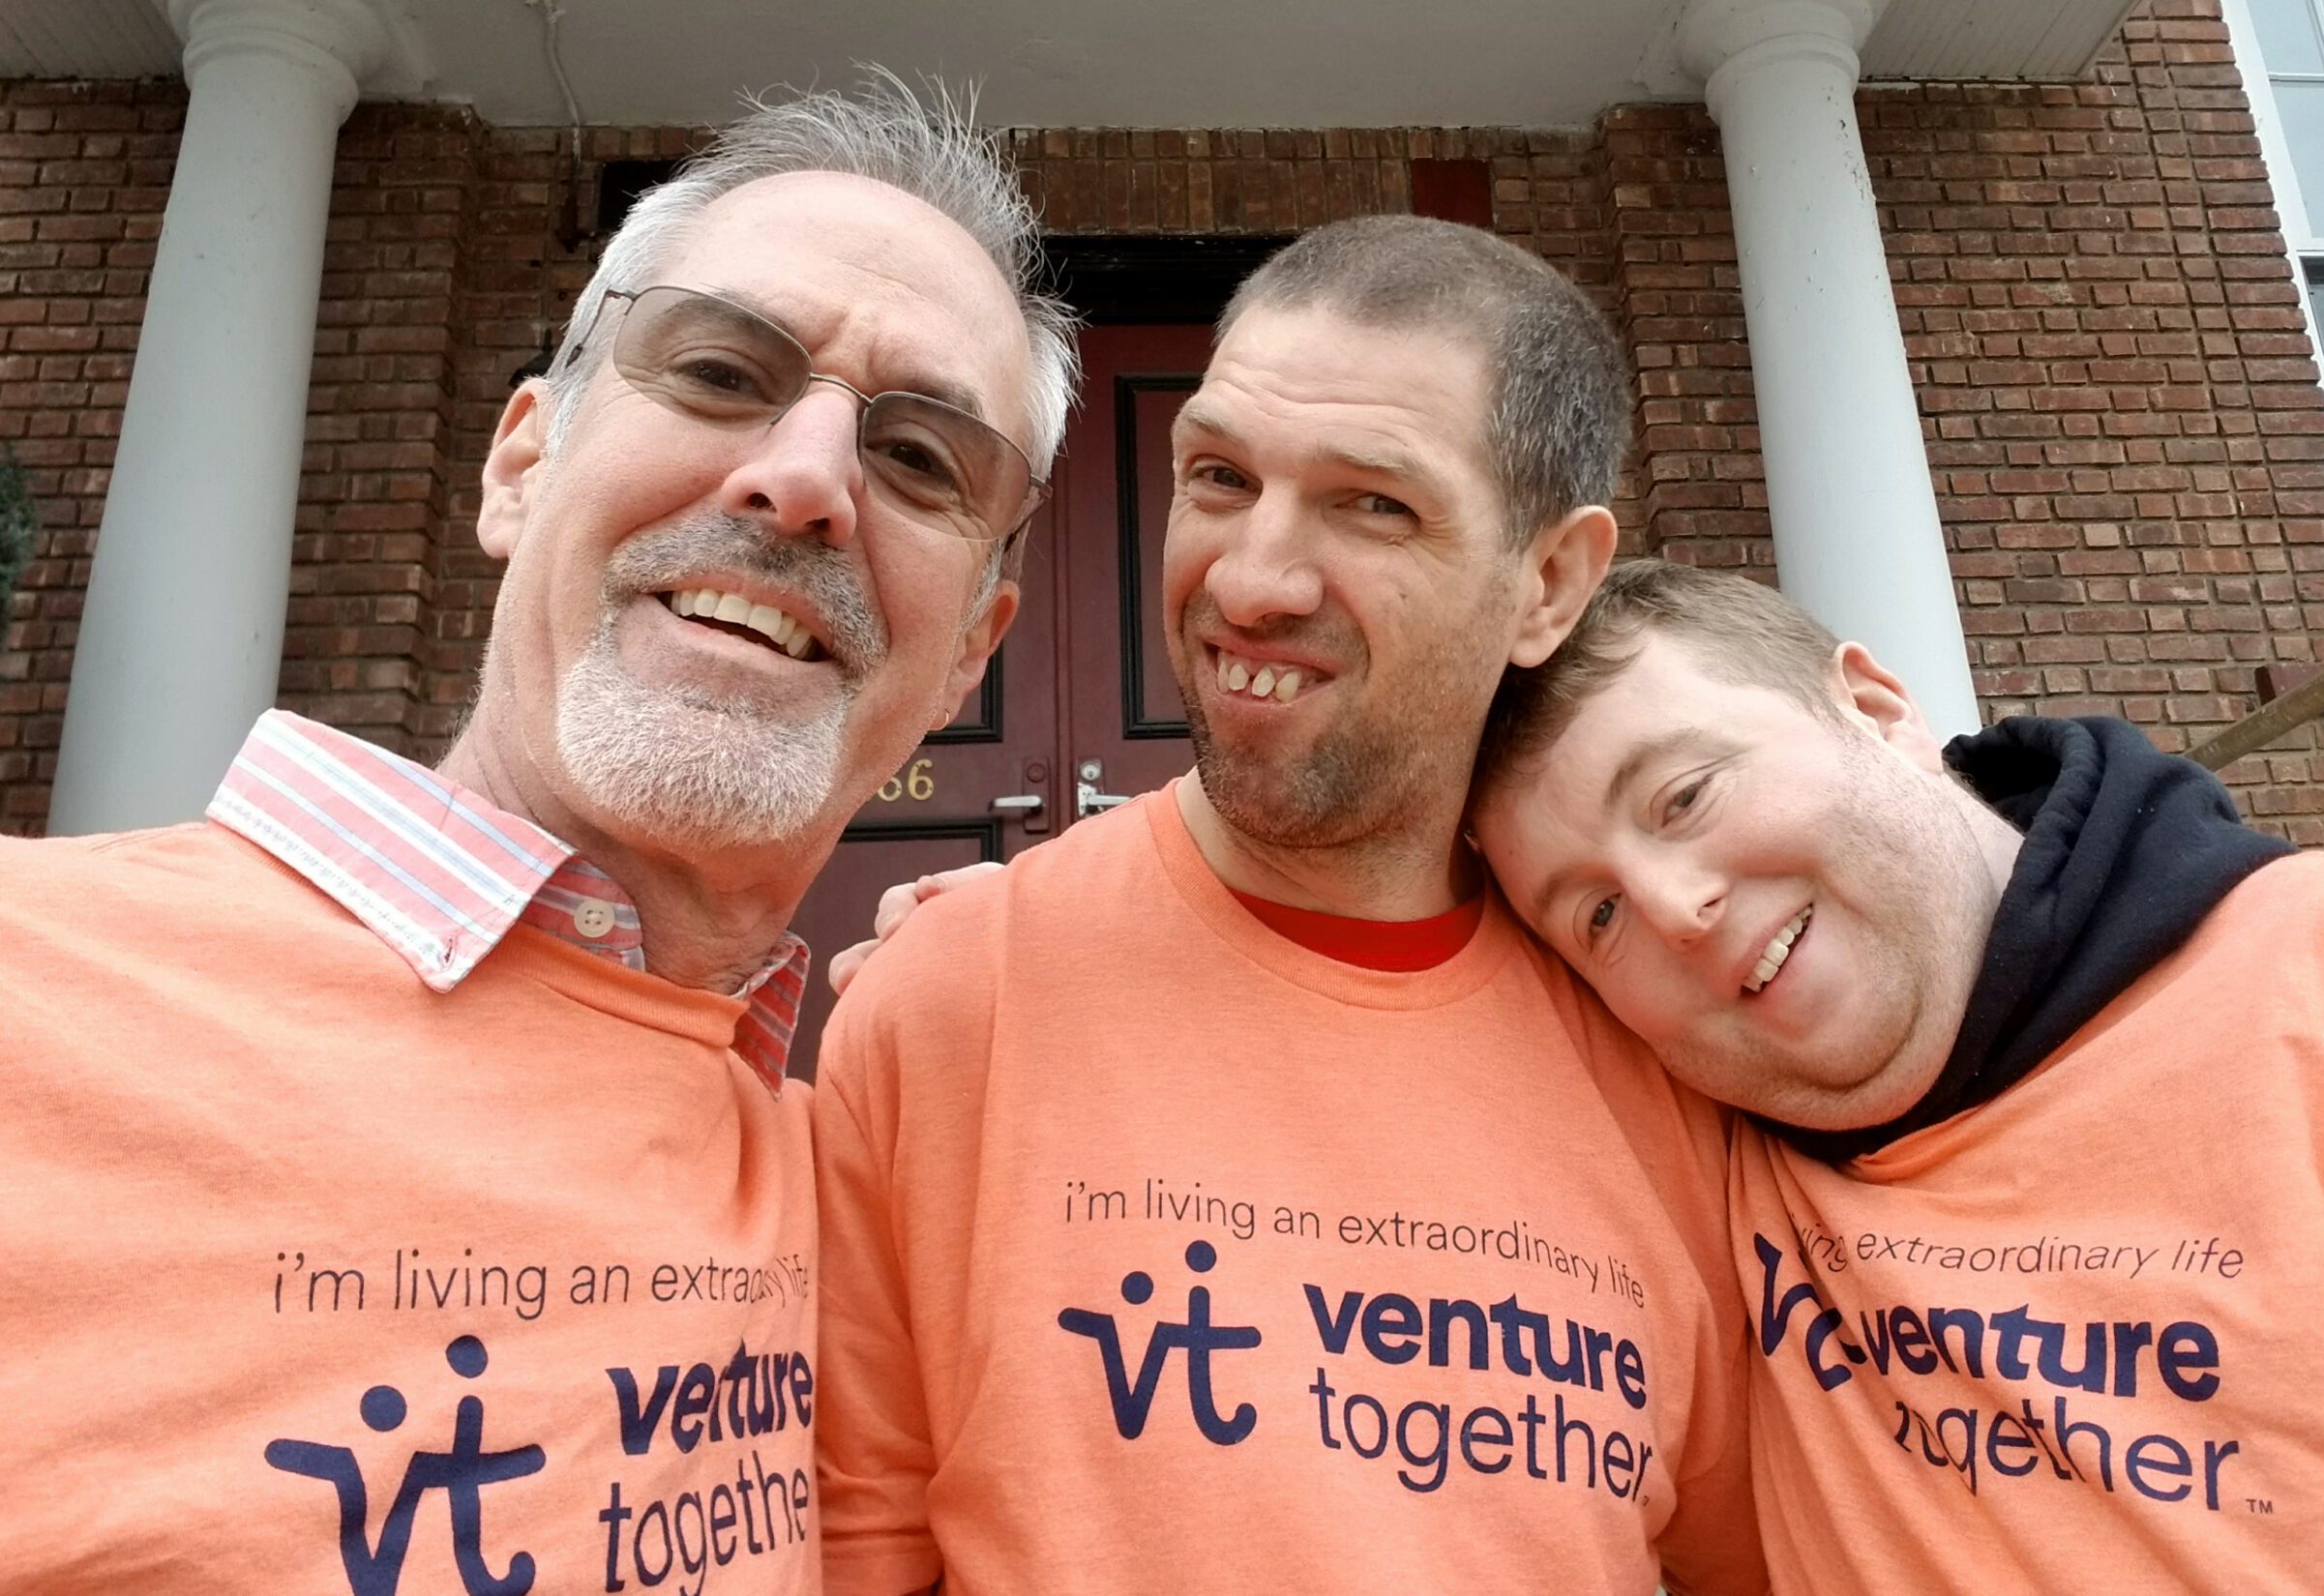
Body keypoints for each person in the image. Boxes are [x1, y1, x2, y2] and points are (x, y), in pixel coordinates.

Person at [0, 78, 1072, 1594]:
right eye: (720, 369)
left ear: (969, 654)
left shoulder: (839, 1179)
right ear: (518, 467)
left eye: (919, 460)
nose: (806, 481)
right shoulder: (34, 990)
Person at [814, 218, 1763, 1595]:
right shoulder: (951, 999)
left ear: (1548, 582)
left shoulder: (1674, 1053)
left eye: (1374, 504)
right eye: (1219, 476)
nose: (1250, 582)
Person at [1472, 556, 2324, 1591]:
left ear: (1876, 709)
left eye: (1684, 796)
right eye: (1597, 915)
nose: (1673, 910)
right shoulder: (1700, 1181)